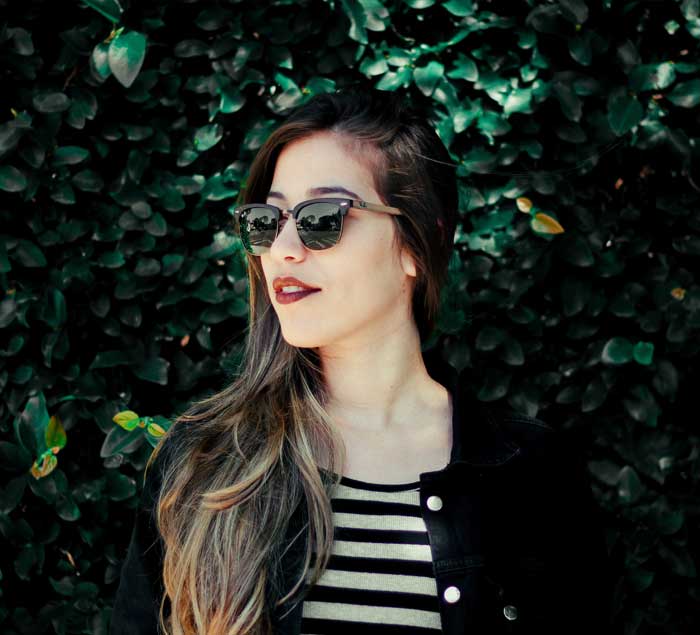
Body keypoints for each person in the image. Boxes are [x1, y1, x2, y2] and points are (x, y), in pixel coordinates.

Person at [110, 89, 615, 635]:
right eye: (266, 220)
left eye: (321, 218)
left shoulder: (532, 477)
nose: (282, 248)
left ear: (416, 243)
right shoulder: (204, 462)